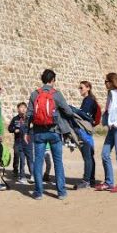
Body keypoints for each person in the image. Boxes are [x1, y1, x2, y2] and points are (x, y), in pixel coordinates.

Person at [25, 69, 74, 200]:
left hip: (39, 133)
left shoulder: (35, 94)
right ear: (53, 80)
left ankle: (38, 192)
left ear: (42, 79)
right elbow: (69, 112)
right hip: (54, 132)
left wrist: (25, 131)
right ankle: (61, 192)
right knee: (58, 162)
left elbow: (29, 114)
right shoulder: (56, 94)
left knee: (38, 162)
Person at [74, 80, 98, 189]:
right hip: (88, 130)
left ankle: (86, 180)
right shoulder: (89, 100)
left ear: (88, 88)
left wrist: (74, 110)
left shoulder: (88, 100)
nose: (80, 89)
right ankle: (91, 179)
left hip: (84, 130)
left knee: (87, 156)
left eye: (81, 87)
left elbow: (84, 115)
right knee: (89, 156)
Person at [8, 102, 33, 184]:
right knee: (17, 156)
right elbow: (10, 128)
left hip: (27, 142)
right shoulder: (15, 119)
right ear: (18, 109)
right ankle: (16, 171)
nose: (23, 109)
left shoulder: (29, 118)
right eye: (21, 107)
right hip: (18, 141)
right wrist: (14, 129)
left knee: (29, 158)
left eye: (24, 107)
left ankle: (32, 174)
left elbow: (32, 127)